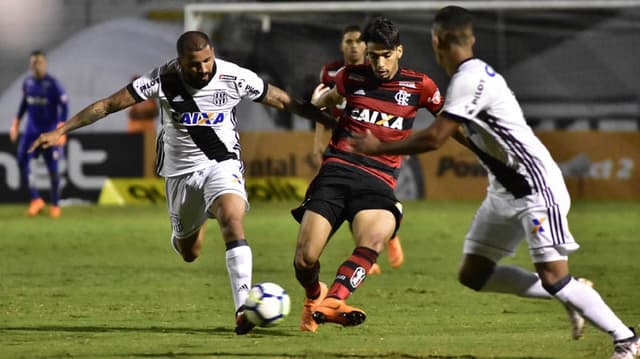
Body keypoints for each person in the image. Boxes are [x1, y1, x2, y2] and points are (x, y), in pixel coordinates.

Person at [349, 6, 638, 359]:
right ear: (470, 38)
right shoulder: (468, 78)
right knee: (474, 274)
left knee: (553, 275)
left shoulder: (470, 80)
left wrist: (381, 145)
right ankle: (574, 294)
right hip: (504, 189)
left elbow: (435, 138)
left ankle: (626, 339)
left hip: (534, 186)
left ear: (436, 41)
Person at [29, 31, 337, 335]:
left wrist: (331, 122)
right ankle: (189, 229)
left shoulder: (234, 76)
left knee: (232, 219)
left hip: (221, 164)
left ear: (213, 53)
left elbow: (283, 101)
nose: (203, 69)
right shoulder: (161, 79)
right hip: (180, 176)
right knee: (190, 251)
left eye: (207, 60)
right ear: (180, 62)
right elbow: (108, 105)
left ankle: (242, 309)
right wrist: (61, 131)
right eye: (194, 64)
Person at [292, 17, 443, 332]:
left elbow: (449, 121)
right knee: (304, 261)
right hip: (335, 173)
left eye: (386, 55)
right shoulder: (350, 77)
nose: (380, 63)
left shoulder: (420, 86)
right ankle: (313, 295)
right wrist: (318, 100)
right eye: (373, 55)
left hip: (378, 180)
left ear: (399, 51)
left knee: (373, 240)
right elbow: (327, 101)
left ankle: (334, 300)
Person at [314, 24, 405, 276]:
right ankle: (367, 252)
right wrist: (317, 145)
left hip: (375, 147)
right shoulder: (332, 73)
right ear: (342, 45)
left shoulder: (378, 75)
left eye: (357, 41)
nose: (353, 46)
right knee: (346, 198)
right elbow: (323, 109)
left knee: (373, 198)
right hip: (342, 146)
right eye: (348, 41)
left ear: (366, 47)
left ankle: (390, 234)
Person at [10, 50, 68, 218]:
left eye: (40, 62)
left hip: (50, 133)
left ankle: (55, 204)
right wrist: (16, 122)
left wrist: (61, 129)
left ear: (45, 64)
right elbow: (24, 104)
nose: (37, 65)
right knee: (22, 161)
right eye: (34, 62)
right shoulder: (27, 83)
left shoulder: (54, 84)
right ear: (30, 64)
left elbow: (64, 107)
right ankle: (36, 199)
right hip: (31, 133)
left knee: (53, 169)